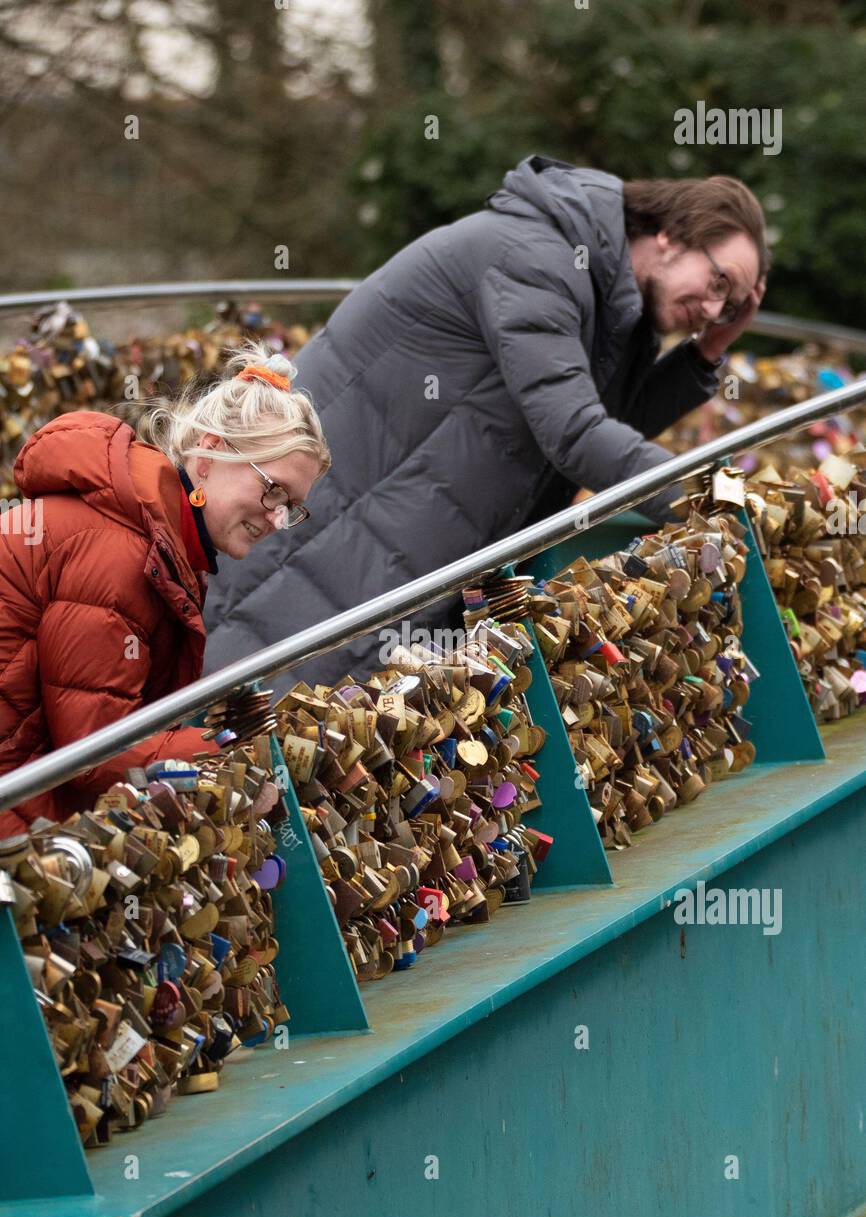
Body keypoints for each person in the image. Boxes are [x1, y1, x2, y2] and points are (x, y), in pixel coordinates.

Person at [203, 157, 769, 690]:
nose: (716, 311)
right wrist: (719, 500)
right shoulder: (536, 257)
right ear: (670, 235)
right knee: (230, 704)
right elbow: (576, 432)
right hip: (325, 534)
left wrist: (705, 353)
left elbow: (603, 426)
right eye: (720, 284)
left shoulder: (603, 294)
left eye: (735, 306)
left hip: (389, 544)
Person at [0, 345, 330, 835]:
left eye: (292, 507)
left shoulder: (156, 539)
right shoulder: (119, 550)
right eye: (273, 489)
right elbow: (94, 751)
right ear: (211, 453)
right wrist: (240, 756)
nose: (276, 518)